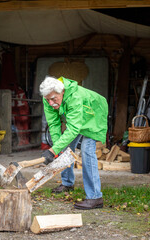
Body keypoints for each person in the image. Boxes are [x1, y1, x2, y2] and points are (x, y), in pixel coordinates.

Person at [39, 76, 108, 210]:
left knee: (87, 150)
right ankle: (67, 183)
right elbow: (53, 124)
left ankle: (95, 197)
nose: (51, 102)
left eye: (54, 99)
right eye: (48, 99)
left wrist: (52, 151)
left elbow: (74, 128)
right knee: (64, 146)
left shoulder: (74, 96)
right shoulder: (47, 98)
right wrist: (56, 149)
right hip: (76, 116)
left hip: (94, 112)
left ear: (62, 92)